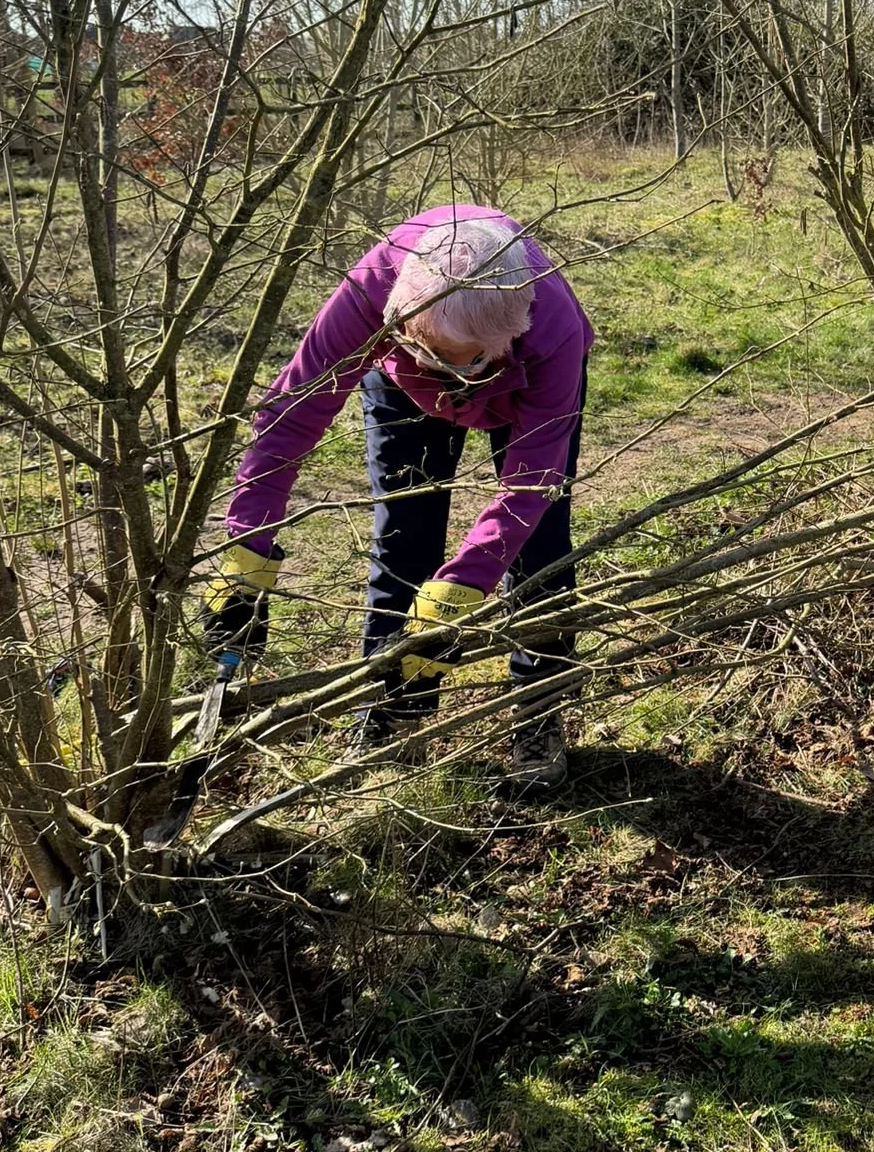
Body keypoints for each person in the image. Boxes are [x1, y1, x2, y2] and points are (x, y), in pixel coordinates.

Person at [201, 206, 594, 787]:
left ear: (509, 337)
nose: (444, 375)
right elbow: (292, 412)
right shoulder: (372, 290)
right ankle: (391, 715)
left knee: (541, 547)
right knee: (405, 536)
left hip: (521, 394)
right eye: (427, 351)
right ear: (400, 316)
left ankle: (538, 713)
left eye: (462, 363)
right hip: (397, 385)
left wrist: (465, 583)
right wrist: (247, 549)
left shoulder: (551, 328)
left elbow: (531, 479)